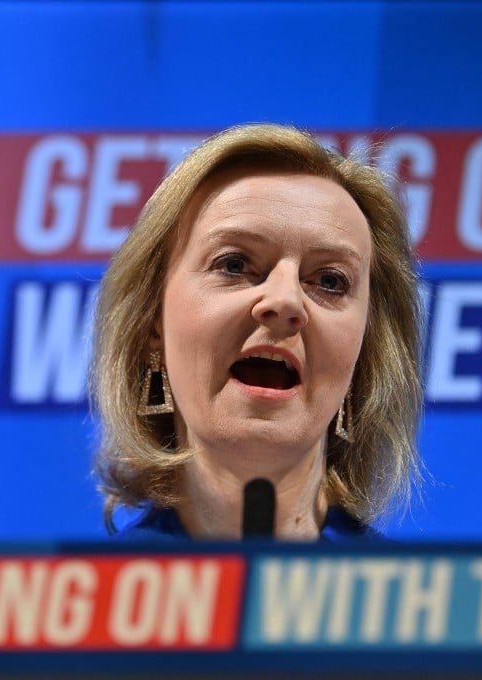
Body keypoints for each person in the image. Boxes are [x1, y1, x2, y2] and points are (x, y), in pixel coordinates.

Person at [89, 123, 422, 541]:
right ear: (152, 320)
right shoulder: (80, 605)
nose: (285, 302)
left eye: (330, 281)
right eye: (233, 264)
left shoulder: (425, 605)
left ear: (364, 349)